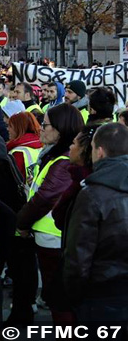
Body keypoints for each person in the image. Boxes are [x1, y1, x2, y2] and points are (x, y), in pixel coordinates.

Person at [16, 103, 83, 325]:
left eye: (45, 125)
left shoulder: (63, 160)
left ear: (60, 129)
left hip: (53, 238)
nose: (40, 130)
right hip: (49, 236)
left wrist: (22, 223)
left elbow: (44, 198)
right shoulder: (55, 155)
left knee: (59, 302)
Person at [64, 123, 128, 337]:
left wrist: (73, 296)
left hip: (100, 296)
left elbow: (78, 257)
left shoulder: (92, 194)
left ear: (99, 151)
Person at [7, 112, 43, 182]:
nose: (7, 129)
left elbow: (12, 181)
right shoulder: (41, 143)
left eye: (10, 126)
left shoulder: (18, 153)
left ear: (18, 128)